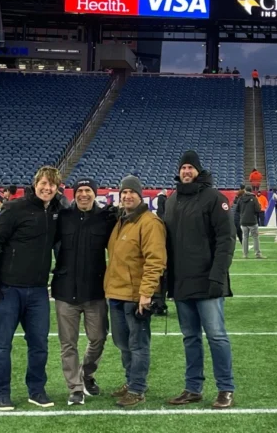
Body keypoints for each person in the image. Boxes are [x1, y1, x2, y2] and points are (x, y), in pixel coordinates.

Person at [0, 166, 64, 411]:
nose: (47, 188)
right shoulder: (15, 208)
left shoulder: (58, 211)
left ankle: (37, 390)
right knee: (2, 345)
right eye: (43, 183)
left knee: (39, 344)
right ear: (35, 183)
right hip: (9, 289)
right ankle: (1, 393)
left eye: (52, 185)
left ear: (57, 188)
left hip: (39, 291)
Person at [164, 150, 236, 409]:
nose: (186, 171)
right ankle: (192, 388)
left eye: (190, 168)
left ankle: (225, 388)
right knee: (190, 337)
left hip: (208, 281)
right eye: (183, 167)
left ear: (198, 170)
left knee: (216, 336)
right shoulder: (171, 200)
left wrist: (218, 276)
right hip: (182, 282)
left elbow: (226, 240)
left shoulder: (214, 198)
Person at [51, 179, 118, 406]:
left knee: (98, 338)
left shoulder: (106, 219)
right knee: (67, 343)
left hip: (95, 290)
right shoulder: (63, 217)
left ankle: (86, 373)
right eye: (79, 191)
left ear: (95, 194)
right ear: (74, 194)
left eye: (88, 191)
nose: (83, 195)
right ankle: (75, 388)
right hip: (64, 289)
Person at [105, 175, 166, 408]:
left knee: (138, 344)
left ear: (141, 196)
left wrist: (146, 293)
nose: (127, 196)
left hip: (135, 296)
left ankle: (137, 389)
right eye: (123, 193)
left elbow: (156, 260)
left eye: (131, 192)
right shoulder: (122, 220)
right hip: (116, 293)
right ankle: (131, 380)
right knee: (123, 343)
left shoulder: (150, 222)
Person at [237, 185, 265, 259]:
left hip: (243, 221)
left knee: (245, 238)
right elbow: (258, 209)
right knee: (255, 238)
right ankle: (257, 254)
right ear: (251, 191)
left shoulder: (241, 198)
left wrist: (243, 213)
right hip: (252, 221)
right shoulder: (254, 198)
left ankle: (245, 254)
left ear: (245, 191)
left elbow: (237, 209)